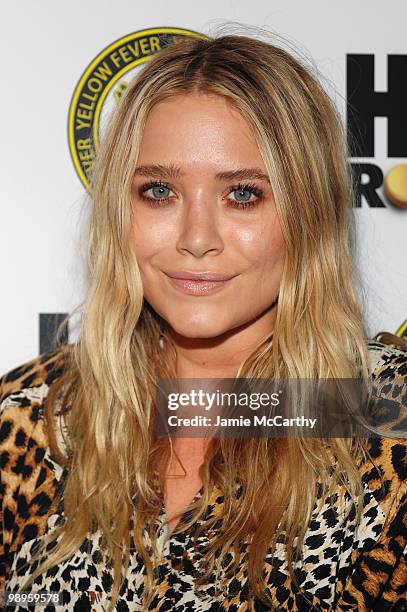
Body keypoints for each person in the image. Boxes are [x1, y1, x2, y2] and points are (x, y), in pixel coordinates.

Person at [1, 32, 406, 611]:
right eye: (159, 191)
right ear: (120, 209)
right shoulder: (31, 413)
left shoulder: (384, 421)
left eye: (243, 194)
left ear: (309, 211)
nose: (196, 239)